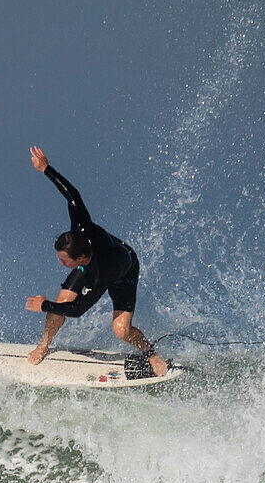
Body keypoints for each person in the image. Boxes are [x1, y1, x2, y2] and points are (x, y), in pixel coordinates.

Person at [25, 147, 168, 376]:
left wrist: (44, 306)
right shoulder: (81, 228)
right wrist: (46, 169)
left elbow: (77, 309)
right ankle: (44, 343)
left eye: (64, 261)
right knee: (61, 298)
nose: (61, 264)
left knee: (121, 330)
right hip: (97, 259)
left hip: (124, 273)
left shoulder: (99, 274)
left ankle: (151, 353)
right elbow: (73, 195)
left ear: (79, 258)